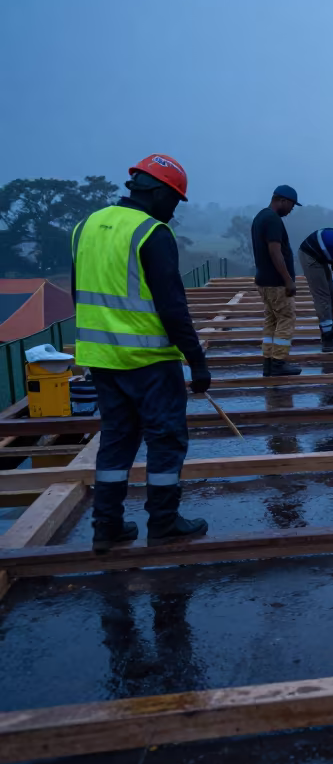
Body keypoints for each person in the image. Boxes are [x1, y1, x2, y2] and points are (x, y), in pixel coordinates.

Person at [70, 154, 210, 553]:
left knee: (116, 441)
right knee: (165, 439)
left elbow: (81, 292)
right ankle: (164, 523)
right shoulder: (152, 232)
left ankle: (107, 527)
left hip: (100, 358)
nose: (174, 210)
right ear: (159, 191)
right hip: (149, 361)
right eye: (175, 199)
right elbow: (172, 306)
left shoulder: (85, 227)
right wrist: (196, 361)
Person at [251, 185, 303, 376]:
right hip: (276, 282)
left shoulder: (261, 217)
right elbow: (275, 251)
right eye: (291, 205)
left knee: (272, 319)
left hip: (263, 281)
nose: (291, 210)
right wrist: (288, 280)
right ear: (283, 201)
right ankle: (279, 363)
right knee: (286, 318)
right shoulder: (272, 220)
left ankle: (268, 362)